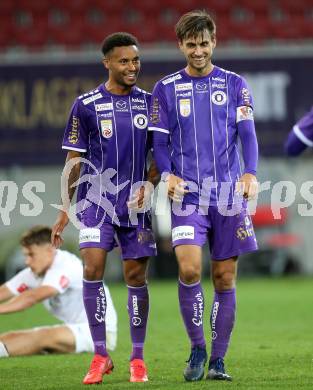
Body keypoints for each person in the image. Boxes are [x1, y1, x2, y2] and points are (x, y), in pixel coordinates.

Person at [149, 10, 258, 382]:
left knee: (225, 278)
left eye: (204, 43)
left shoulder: (235, 84)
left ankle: (218, 361)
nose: (198, 51)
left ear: (215, 42)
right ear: (180, 45)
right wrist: (167, 175)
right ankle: (197, 347)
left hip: (228, 194)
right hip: (189, 196)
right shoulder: (165, 89)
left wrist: (250, 172)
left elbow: (248, 135)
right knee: (190, 268)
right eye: (191, 44)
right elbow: (159, 143)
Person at [51, 32, 157, 384]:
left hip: (136, 205)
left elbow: (161, 155)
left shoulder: (150, 102)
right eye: (124, 61)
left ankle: (137, 358)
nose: (132, 67)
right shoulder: (85, 105)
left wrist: (149, 184)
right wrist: (65, 209)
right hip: (95, 202)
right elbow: (74, 160)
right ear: (107, 63)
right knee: (93, 267)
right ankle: (100, 355)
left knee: (135, 277)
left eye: (136, 60)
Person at [0, 225, 117, 358]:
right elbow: (5, 291)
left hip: (100, 333)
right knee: (13, 336)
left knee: (43, 336)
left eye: (31, 255)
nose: (27, 261)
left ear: (50, 250)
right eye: (26, 255)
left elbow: (31, 298)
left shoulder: (66, 266)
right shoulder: (36, 270)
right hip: (74, 329)